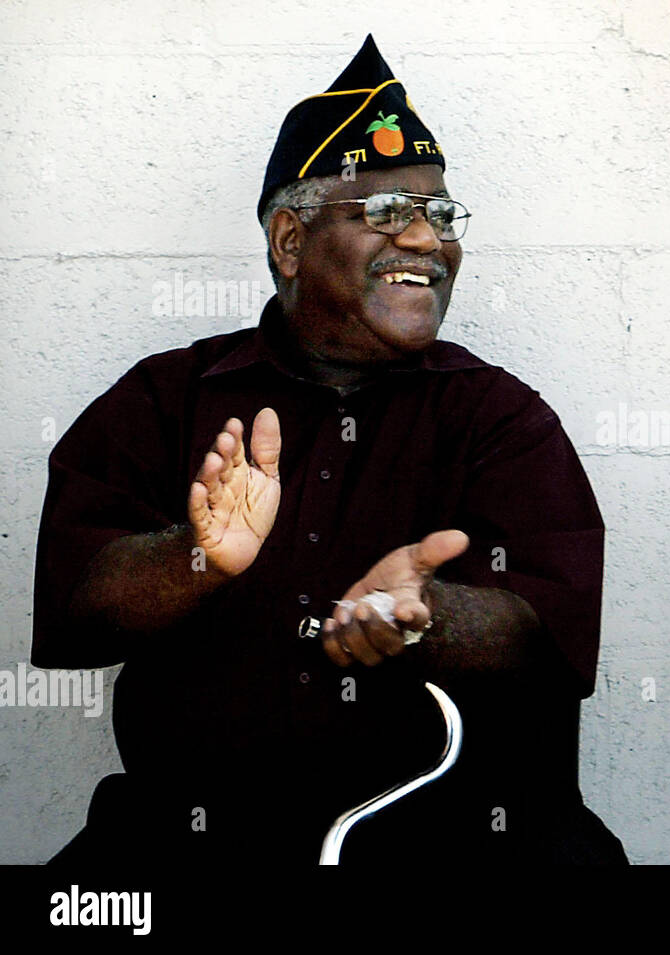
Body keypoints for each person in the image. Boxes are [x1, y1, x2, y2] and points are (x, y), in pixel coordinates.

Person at [32, 35, 626, 865]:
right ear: (289, 240)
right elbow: (77, 615)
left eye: (443, 215)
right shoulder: (165, 400)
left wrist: (423, 614)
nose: (428, 240)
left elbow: (549, 638)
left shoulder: (500, 416)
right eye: (387, 212)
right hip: (198, 836)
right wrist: (194, 557)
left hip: (460, 837)